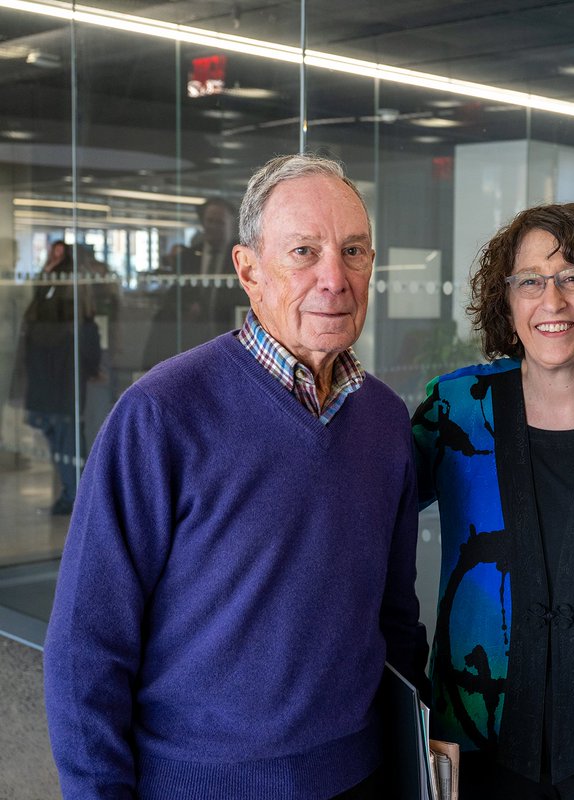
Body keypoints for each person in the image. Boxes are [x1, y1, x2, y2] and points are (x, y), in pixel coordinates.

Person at [43, 154, 429, 799]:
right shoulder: (161, 414)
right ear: (248, 270)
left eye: (354, 251)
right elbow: (88, 648)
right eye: (303, 251)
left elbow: (395, 621)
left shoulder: (386, 421)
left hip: (362, 777)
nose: (334, 278)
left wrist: (411, 751)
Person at [411, 203, 574, 799]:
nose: (552, 301)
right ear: (508, 303)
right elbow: (368, 514)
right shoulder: (456, 409)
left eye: (573, 277)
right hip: (475, 739)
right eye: (530, 281)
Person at [17, 240, 101, 515]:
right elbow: (86, 328)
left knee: (64, 436)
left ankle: (74, 495)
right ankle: (74, 494)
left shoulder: (61, 287)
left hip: (58, 372)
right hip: (59, 373)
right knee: (66, 435)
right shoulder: (58, 288)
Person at [142, 196, 242, 368]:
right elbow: (173, 298)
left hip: (231, 335)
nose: (213, 227)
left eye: (219, 222)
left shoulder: (243, 257)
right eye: (209, 221)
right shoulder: (187, 258)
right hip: (190, 338)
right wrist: (185, 308)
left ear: (231, 224)